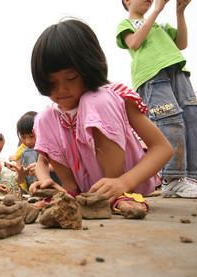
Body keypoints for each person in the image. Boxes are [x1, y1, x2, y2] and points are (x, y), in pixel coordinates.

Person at [29, 19, 173, 218]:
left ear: (88, 68)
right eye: (51, 83)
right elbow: (42, 161)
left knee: (94, 100)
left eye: (71, 78)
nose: (61, 89)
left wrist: (123, 182)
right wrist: (46, 180)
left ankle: (119, 194)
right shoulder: (52, 117)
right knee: (43, 116)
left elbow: (162, 148)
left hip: (127, 184)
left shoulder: (112, 97)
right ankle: (71, 193)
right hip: (86, 191)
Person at [117, 0, 197, 198]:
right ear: (127, 1)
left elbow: (182, 43)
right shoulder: (126, 25)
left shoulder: (160, 27)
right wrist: (158, 9)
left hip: (177, 71)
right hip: (152, 76)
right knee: (170, 122)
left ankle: (193, 178)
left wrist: (180, 12)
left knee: (194, 120)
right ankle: (173, 179)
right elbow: (135, 43)